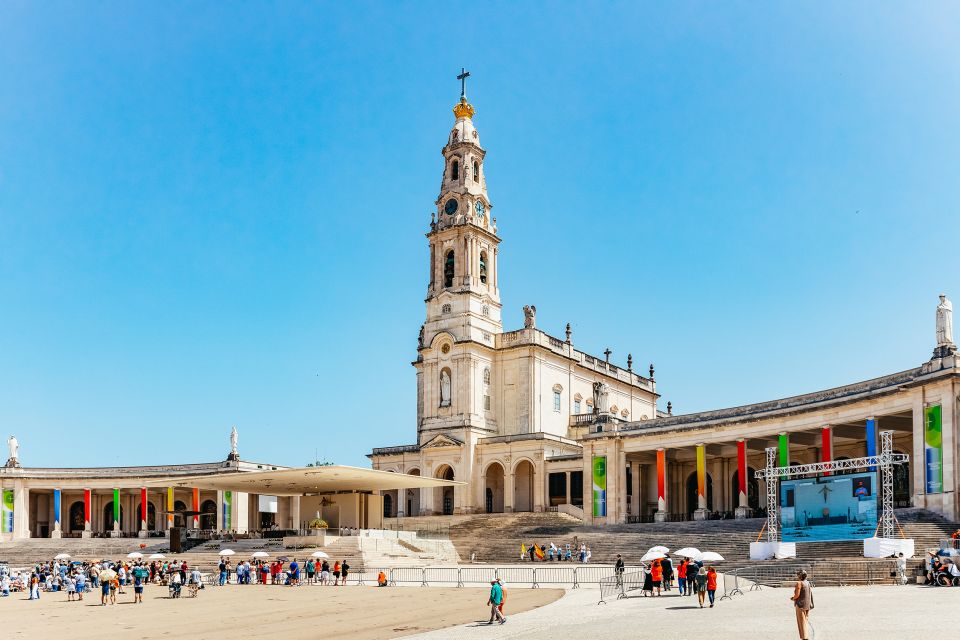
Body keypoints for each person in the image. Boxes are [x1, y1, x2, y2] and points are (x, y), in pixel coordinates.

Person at [790, 569, 814, 640]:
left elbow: (797, 595)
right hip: (807, 604)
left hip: (800, 604)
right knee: (805, 621)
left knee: (801, 621)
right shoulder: (807, 583)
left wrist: (793, 598)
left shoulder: (799, 583)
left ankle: (804, 637)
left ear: (799, 576)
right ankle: (806, 636)